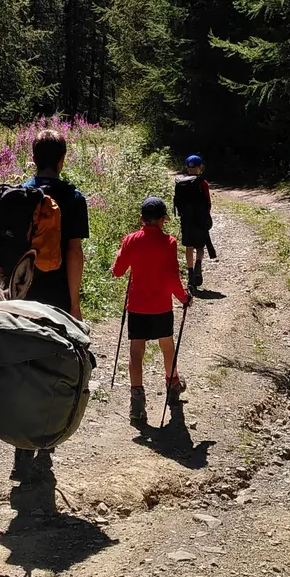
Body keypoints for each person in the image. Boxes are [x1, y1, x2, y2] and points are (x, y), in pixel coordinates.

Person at [13, 127, 90, 480]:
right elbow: (73, 252)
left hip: (19, 296)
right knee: (56, 369)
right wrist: (74, 303)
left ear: (33, 158)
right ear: (62, 159)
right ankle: (45, 448)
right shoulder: (72, 198)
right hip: (56, 297)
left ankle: (19, 449)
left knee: (23, 366)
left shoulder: (17, 195)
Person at [112, 195, 191, 427]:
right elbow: (172, 277)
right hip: (161, 306)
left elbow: (117, 272)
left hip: (137, 306)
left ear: (142, 219)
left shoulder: (130, 240)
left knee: (136, 352)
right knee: (167, 346)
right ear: (163, 220)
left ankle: (137, 403)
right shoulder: (169, 243)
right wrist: (184, 298)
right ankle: (173, 386)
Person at [172, 154, 212, 291]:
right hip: (200, 219)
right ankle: (198, 263)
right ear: (200, 167)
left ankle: (190, 276)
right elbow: (208, 202)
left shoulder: (181, 182)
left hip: (186, 220)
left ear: (187, 168)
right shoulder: (203, 183)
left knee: (189, 246)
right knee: (200, 246)